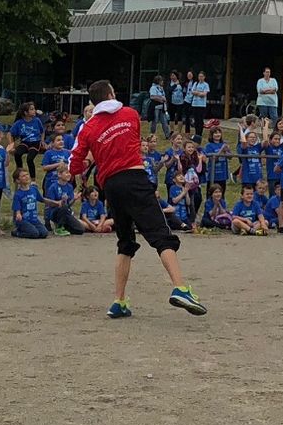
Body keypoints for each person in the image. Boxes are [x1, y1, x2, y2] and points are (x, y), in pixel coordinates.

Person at [68, 78, 206, 319]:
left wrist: (90, 161)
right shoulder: (130, 114)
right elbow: (129, 141)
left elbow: (74, 164)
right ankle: (180, 288)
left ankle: (119, 301)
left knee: (125, 242)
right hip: (135, 179)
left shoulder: (87, 128)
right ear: (111, 94)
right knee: (161, 235)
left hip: (111, 186)